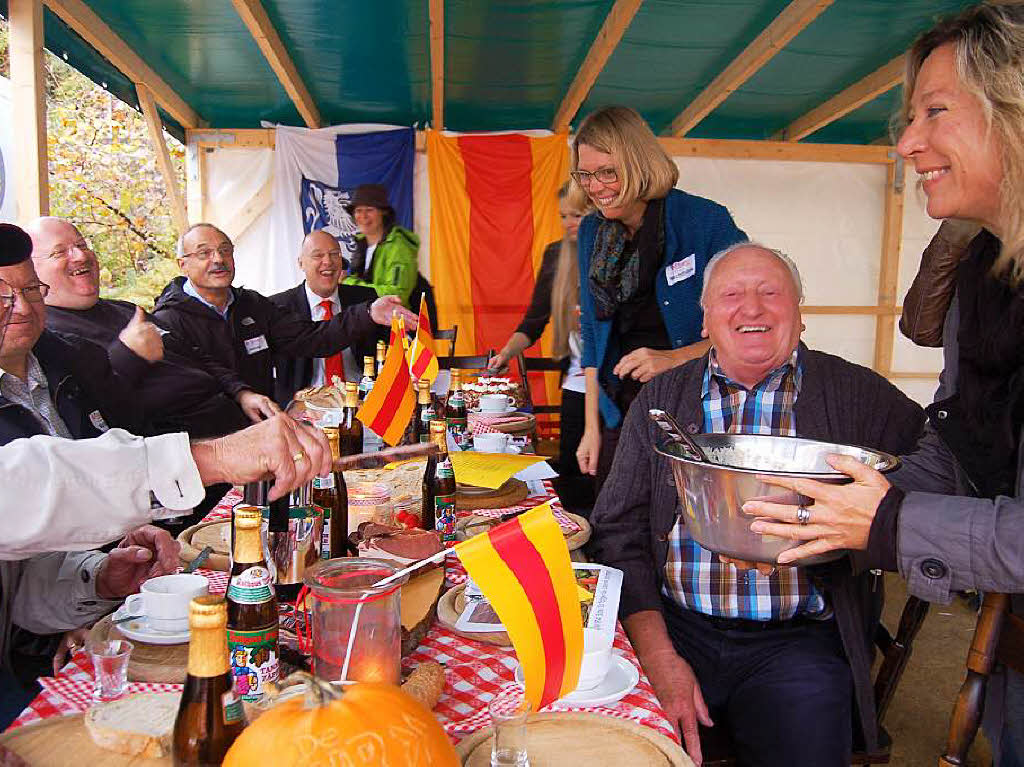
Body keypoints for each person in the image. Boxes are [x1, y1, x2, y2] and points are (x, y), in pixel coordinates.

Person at [741, 6, 1024, 763]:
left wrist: (890, 522)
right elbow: (964, 441)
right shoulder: (983, 273)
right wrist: (837, 495)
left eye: (936, 112)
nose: (906, 143)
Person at [587, 242, 924, 766]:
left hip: (797, 643)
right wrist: (658, 655)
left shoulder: (858, 395)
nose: (751, 309)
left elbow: (930, 473)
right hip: (676, 628)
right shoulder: (661, 401)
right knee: (620, 750)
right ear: (704, 321)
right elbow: (617, 530)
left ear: (800, 315)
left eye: (770, 293)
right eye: (730, 295)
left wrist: (858, 537)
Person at [0, 223, 175, 726]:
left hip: (70, 599)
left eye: (30, 290)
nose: (23, 307)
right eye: (2, 295)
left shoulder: (67, 359)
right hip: (31, 649)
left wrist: (100, 578)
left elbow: (122, 449)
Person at [571, 106, 746, 489]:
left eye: (608, 172)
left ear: (637, 163)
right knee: (616, 519)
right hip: (618, 408)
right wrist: (591, 429)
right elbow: (591, 333)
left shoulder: (703, 221)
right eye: (585, 175)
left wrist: (673, 358)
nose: (596, 187)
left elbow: (747, 324)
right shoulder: (591, 232)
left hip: (694, 410)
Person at [26, 217, 258, 436]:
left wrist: (241, 392)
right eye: (59, 252)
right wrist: (127, 356)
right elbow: (90, 407)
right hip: (179, 454)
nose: (79, 256)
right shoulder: (45, 335)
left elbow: (196, 354)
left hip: (233, 421)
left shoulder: (124, 309)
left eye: (82, 245)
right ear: (31, 270)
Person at [152, 223, 416, 401]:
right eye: (204, 253)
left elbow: (314, 338)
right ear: (182, 264)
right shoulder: (168, 321)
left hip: (265, 435)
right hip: (210, 450)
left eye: (224, 251)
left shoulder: (253, 306)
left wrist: (368, 312)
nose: (218, 259)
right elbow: (184, 390)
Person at [487, 183, 594, 512]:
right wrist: (506, 353)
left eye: (578, 214)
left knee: (603, 475)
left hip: (613, 386)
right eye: (564, 215)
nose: (568, 222)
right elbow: (534, 321)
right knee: (574, 475)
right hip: (576, 383)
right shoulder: (555, 254)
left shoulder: (619, 254)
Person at [269, 229, 383, 408]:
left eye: (334, 254)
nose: (328, 261)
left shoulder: (365, 299)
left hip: (360, 403)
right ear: (301, 263)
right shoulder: (279, 306)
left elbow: (385, 355)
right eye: (318, 255)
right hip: (305, 408)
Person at [341, 184, 420, 308]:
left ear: (383, 212)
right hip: (368, 320)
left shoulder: (398, 247)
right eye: (358, 211)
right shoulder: (362, 245)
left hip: (395, 323)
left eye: (369, 210)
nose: (363, 216)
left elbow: (396, 295)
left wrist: (348, 283)